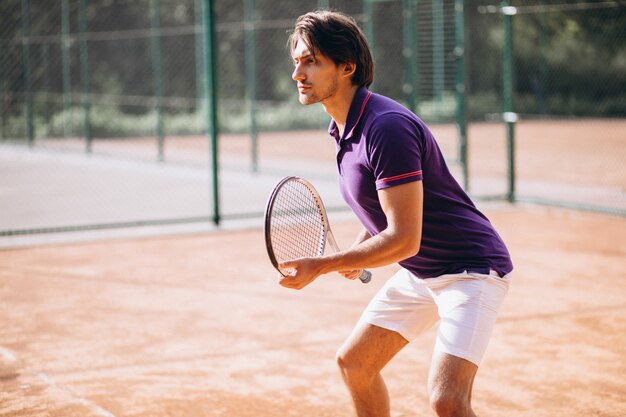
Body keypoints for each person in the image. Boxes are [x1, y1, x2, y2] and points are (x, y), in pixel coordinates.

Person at [279, 10, 513, 417]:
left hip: (471, 270)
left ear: (347, 66)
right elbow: (383, 210)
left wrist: (325, 265)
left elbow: (405, 238)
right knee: (355, 365)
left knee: (447, 401)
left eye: (312, 61)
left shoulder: (385, 127)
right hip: (423, 273)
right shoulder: (342, 128)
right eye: (297, 61)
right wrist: (358, 246)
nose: (299, 72)